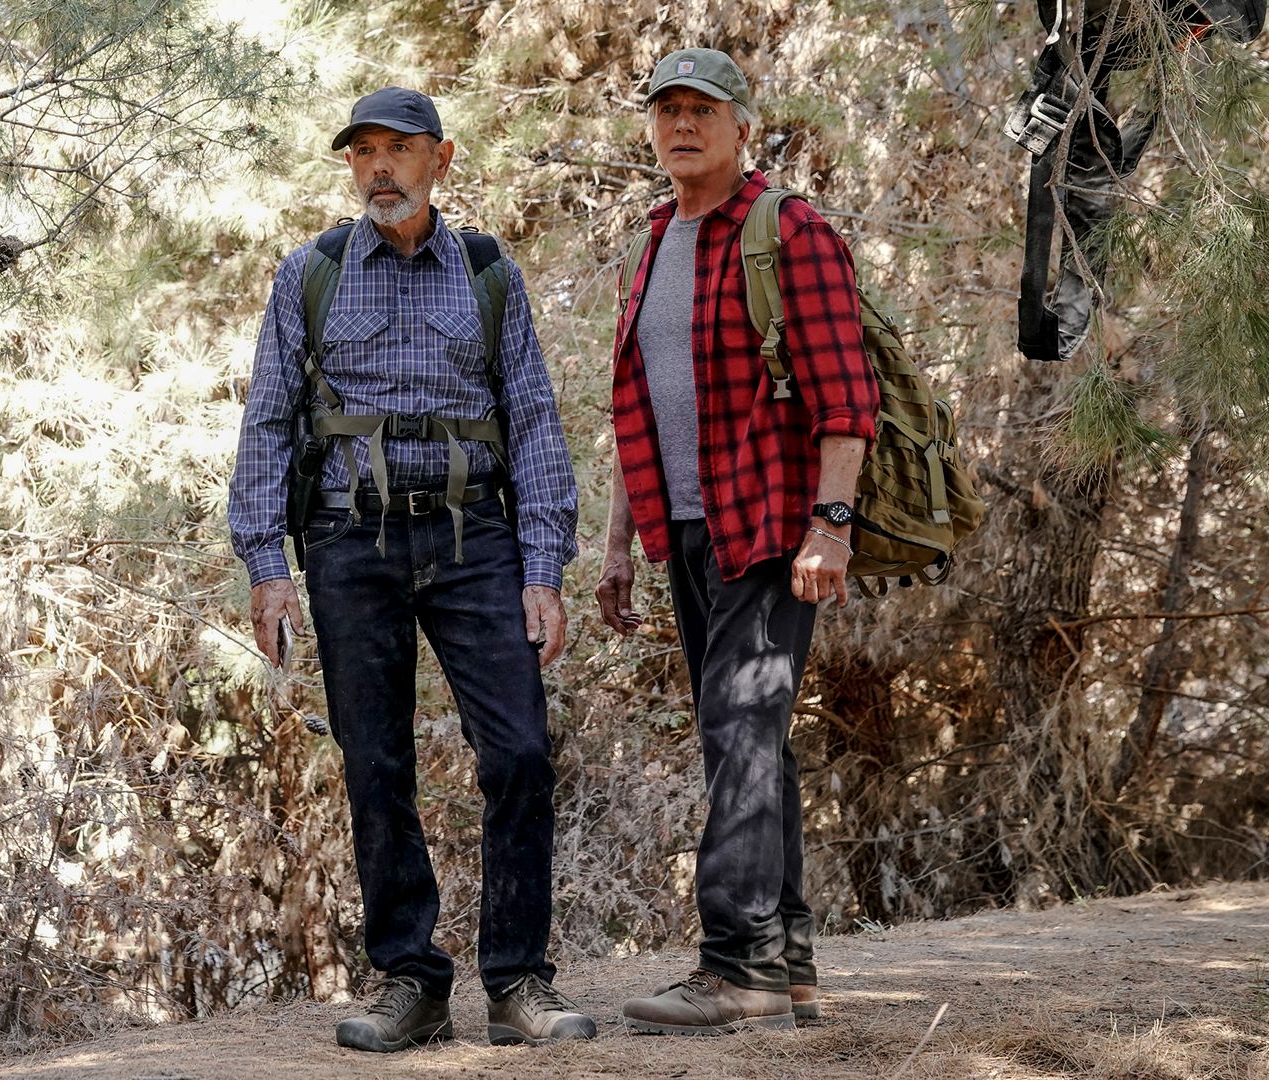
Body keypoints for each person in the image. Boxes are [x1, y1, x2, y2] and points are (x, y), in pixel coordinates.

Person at [228, 86, 594, 1052]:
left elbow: (535, 421)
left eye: (399, 149)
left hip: (477, 540)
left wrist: (544, 567)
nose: (380, 167)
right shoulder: (309, 275)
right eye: (364, 153)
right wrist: (268, 566)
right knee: (376, 763)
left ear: (442, 159)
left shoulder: (487, 273)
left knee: (517, 754)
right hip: (350, 542)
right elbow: (268, 422)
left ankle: (518, 981)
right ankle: (412, 979)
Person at [597, 49, 879, 1035]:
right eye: (667, 110)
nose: (681, 125)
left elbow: (849, 397)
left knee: (737, 731)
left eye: (701, 110)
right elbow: (639, 403)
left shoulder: (786, 229)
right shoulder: (654, 239)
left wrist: (830, 525)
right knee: (749, 739)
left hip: (770, 530)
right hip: (683, 530)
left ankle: (736, 964)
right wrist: (618, 544)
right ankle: (787, 964)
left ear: (742, 126)